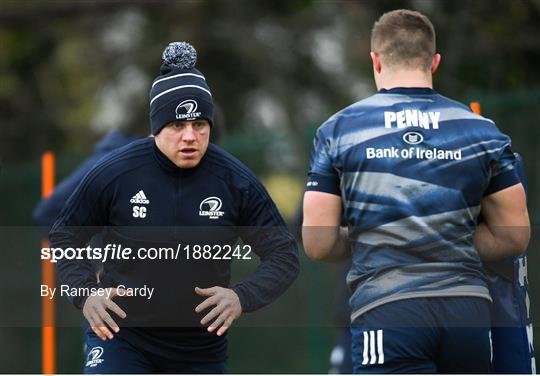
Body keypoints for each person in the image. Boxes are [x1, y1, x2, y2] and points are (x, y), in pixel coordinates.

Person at [302, 9, 530, 374]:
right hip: (468, 313)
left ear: (375, 60)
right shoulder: (482, 130)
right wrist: (440, 238)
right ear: (434, 62)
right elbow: (515, 235)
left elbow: (317, 242)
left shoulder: (339, 130)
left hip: (387, 311)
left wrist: (385, 239)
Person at [49, 41, 299, 374]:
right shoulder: (116, 172)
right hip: (121, 338)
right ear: (156, 129)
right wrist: (86, 293)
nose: (190, 137)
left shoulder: (235, 181)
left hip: (200, 350)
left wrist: (242, 296)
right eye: (177, 126)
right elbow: (64, 236)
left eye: (199, 125)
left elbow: (284, 254)